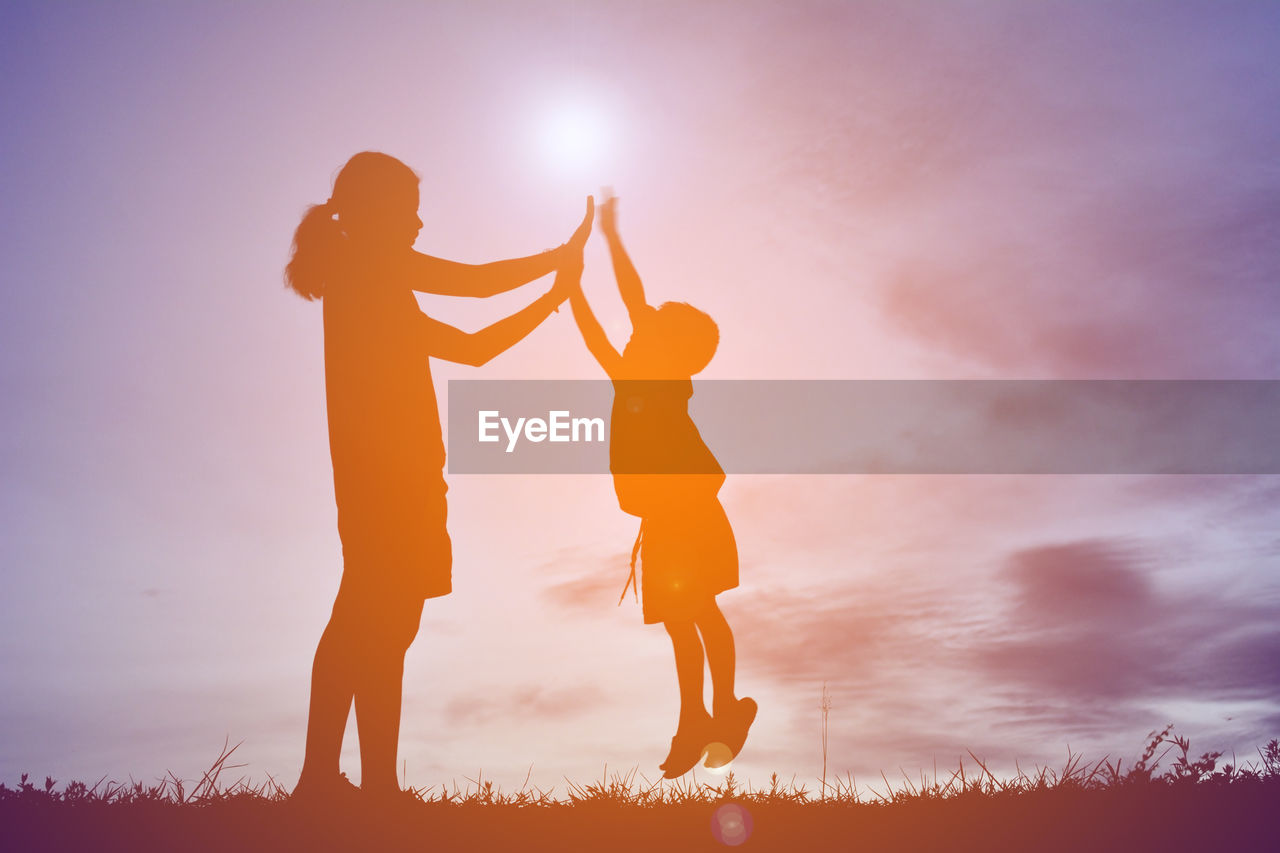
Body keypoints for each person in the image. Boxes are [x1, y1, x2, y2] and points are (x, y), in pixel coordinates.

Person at [284, 151, 592, 802]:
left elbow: (475, 347)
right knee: (368, 620)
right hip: (388, 480)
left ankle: (371, 786)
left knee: (386, 625)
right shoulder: (368, 264)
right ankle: (328, 780)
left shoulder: (377, 291)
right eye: (410, 210)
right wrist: (558, 258)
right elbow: (478, 283)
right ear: (374, 212)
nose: (420, 224)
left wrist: (553, 296)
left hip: (406, 476)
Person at [566, 190, 755, 778]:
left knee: (697, 611)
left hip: (688, 508)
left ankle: (718, 708)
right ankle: (697, 717)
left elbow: (629, 299)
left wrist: (610, 241)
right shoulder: (630, 377)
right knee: (683, 621)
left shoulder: (664, 377)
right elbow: (601, 335)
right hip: (666, 512)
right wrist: (569, 291)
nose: (637, 328)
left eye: (651, 326)